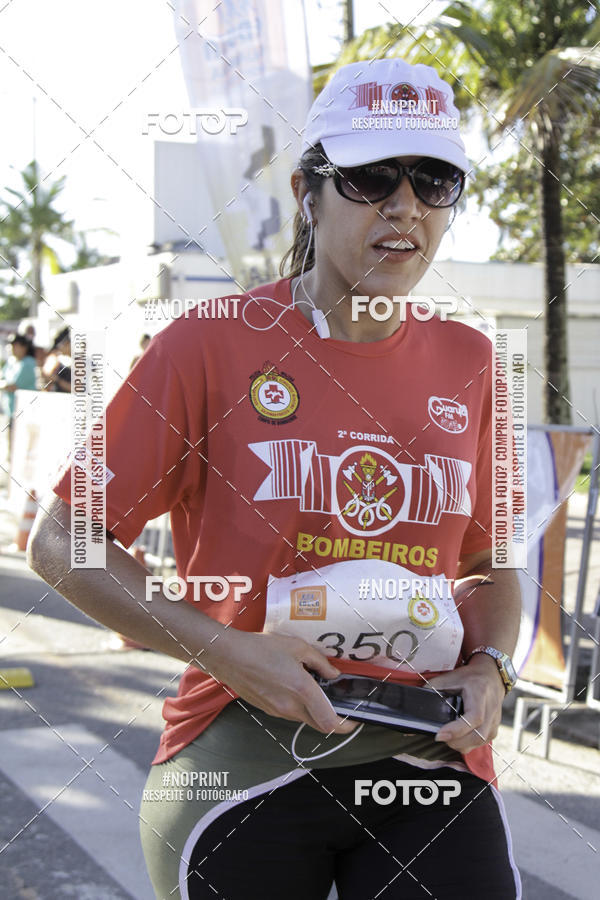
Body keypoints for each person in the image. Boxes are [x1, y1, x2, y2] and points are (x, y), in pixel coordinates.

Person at [28, 57, 522, 899]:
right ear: (307, 192)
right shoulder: (209, 342)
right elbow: (61, 540)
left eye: (434, 180)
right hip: (242, 751)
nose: (404, 206)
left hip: (422, 750)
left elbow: (491, 563)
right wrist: (227, 650)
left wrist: (494, 668)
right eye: (371, 177)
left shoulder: (473, 362)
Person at [1, 333, 37, 464]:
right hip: (11, 409)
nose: (11, 348)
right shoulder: (11, 361)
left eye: (14, 345)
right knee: (10, 439)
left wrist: (4, 384)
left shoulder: (28, 363)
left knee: (22, 441)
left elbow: (13, 385)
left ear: (23, 347)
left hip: (25, 410)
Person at [42, 326, 72, 392]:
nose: (59, 349)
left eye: (60, 345)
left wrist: (57, 380)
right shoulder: (59, 361)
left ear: (67, 343)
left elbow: (78, 390)